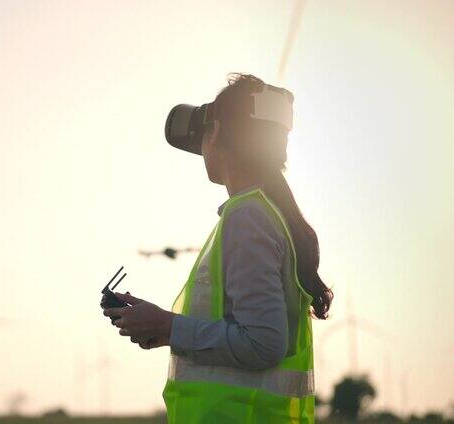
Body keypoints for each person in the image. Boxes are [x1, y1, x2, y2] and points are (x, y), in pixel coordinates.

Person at [102, 73, 333, 423]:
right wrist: (161, 326)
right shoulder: (265, 213)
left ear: (216, 133)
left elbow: (262, 343)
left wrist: (168, 326)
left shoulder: (248, 216)